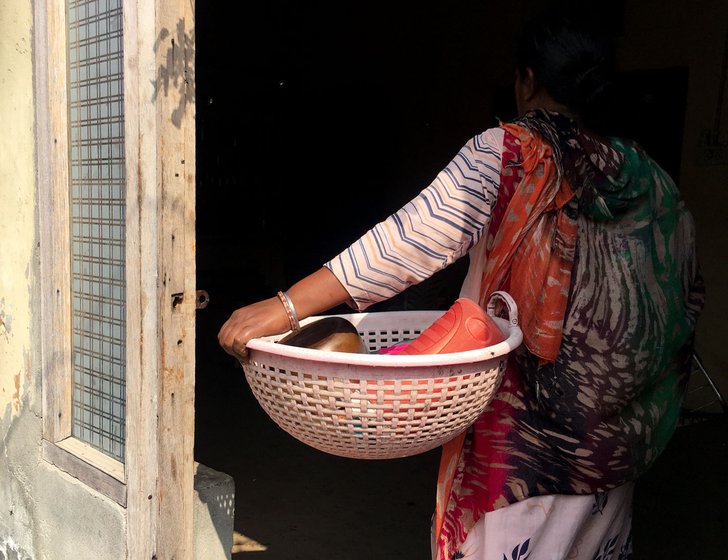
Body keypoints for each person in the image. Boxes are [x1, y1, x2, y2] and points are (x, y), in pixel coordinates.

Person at [218, 12, 705, 560]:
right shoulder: (650, 180)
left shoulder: (512, 155)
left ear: (527, 80)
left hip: (518, 459)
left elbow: (403, 243)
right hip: (612, 453)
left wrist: (284, 307)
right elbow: (684, 301)